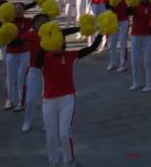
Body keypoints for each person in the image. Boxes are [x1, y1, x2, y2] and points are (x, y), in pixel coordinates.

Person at [37, 29, 102, 165]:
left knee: (64, 134)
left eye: (60, 42)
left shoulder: (70, 55)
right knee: (51, 134)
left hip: (66, 99)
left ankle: (69, 161)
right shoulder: (44, 58)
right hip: (48, 101)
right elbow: (37, 63)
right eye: (54, 43)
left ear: (63, 43)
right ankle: (53, 161)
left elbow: (91, 48)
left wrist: (100, 34)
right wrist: (45, 45)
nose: (57, 45)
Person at [127, 0, 151, 91]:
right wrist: (130, 3)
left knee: (148, 61)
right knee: (134, 60)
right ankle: (136, 82)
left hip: (148, 36)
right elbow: (127, 12)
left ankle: (149, 84)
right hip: (135, 35)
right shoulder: (135, 6)